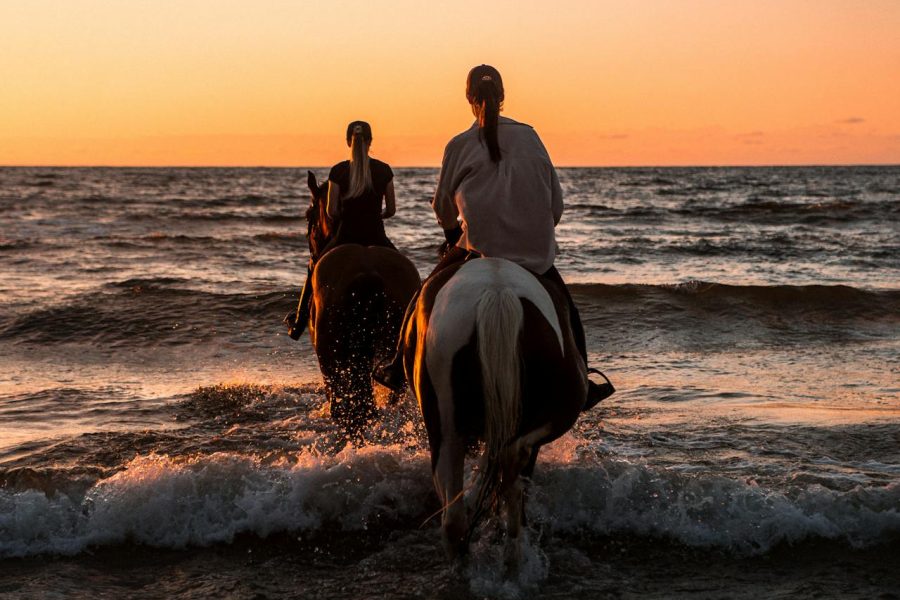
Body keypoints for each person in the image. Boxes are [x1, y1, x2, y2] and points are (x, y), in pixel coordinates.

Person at [373, 64, 613, 409]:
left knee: (423, 296)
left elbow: (442, 206)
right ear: (503, 97)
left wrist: (454, 231)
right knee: (567, 311)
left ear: (469, 98)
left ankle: (397, 367)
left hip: (476, 251)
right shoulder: (531, 136)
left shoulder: (459, 144)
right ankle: (583, 382)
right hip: (533, 255)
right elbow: (555, 206)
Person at [285, 120, 397, 339]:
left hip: (345, 236)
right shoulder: (384, 170)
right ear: (370, 141)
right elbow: (391, 210)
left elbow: (332, 211)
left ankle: (298, 324)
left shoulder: (338, 171)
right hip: (377, 237)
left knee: (314, 268)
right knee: (406, 273)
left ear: (348, 142)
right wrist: (378, 215)